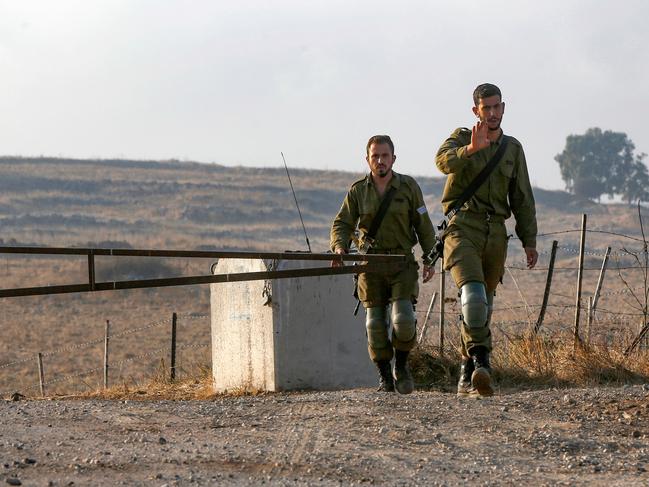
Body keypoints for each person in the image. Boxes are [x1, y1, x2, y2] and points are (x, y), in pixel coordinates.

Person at [435, 83, 538, 397]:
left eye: (496, 107)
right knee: (473, 298)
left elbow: (522, 197)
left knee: (483, 305)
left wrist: (528, 239)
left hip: (495, 234)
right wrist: (471, 149)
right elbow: (442, 162)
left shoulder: (513, 149)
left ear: (503, 108)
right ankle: (483, 361)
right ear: (475, 111)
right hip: (462, 227)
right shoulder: (462, 138)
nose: (492, 114)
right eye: (486, 108)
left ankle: (468, 375)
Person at [330, 135, 436, 394]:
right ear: (367, 160)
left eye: (385, 156)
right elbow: (342, 223)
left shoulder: (408, 187)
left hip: (401, 263)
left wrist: (429, 257)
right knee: (375, 324)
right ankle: (385, 377)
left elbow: (423, 225)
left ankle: (401, 365)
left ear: (393, 159)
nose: (380, 161)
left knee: (403, 319)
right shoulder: (358, 191)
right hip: (371, 265)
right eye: (375, 156)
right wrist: (340, 247)